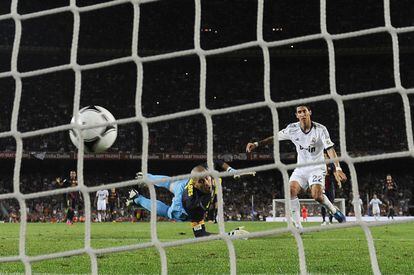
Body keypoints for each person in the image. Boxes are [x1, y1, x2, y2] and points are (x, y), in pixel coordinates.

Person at [246, 105, 347, 230]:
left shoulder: (320, 129)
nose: (302, 114)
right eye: (299, 112)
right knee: (289, 191)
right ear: (297, 115)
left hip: (317, 167)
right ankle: (298, 226)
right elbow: (274, 138)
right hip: (301, 168)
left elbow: (330, 149)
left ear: (309, 112)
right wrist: (256, 144)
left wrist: (338, 169)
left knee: (317, 196)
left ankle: (333, 210)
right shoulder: (292, 129)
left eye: (304, 111)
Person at [126, 160, 250, 238]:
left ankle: (146, 177)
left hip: (183, 185)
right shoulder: (194, 206)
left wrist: (231, 170)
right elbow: (200, 234)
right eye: (202, 181)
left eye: (207, 177)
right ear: (195, 184)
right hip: (182, 207)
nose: (207, 183)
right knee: (168, 212)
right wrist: (229, 235)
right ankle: (137, 198)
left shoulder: (203, 174)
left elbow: (217, 161)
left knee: (170, 182)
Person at [321, 152, 341, 225]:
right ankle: (323, 220)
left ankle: (330, 220)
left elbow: (335, 173)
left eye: (324, 155)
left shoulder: (331, 164)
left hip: (330, 185)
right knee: (322, 203)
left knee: (331, 203)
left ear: (327, 156)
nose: (323, 156)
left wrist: (339, 181)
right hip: (322, 185)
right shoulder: (319, 164)